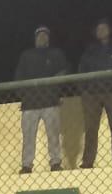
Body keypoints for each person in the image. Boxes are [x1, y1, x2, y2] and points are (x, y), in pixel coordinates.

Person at [76, 19, 112, 167]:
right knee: (90, 128)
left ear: (110, 29)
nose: (101, 31)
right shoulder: (90, 49)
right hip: (92, 94)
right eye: (98, 29)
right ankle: (88, 162)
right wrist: (85, 90)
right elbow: (81, 69)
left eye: (104, 28)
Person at [14, 26, 70, 173]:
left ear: (49, 39)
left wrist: (56, 90)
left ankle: (55, 162)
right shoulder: (26, 55)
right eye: (39, 36)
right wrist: (24, 96)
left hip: (50, 102)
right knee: (28, 136)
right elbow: (19, 78)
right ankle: (27, 165)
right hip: (30, 104)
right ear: (35, 38)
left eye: (45, 35)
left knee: (53, 134)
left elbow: (65, 72)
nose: (42, 38)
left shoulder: (56, 54)